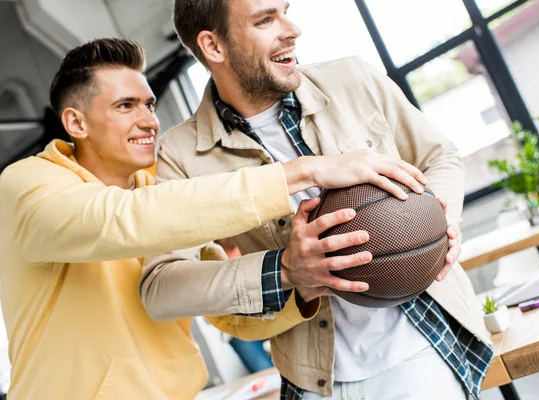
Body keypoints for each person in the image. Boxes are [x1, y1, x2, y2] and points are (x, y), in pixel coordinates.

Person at [0, 38, 427, 399]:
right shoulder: (27, 185)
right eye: (126, 105)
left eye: (149, 104)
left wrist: (295, 280)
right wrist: (303, 171)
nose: (149, 120)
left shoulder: (159, 191)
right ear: (76, 121)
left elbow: (225, 312)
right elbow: (120, 221)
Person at [142, 1, 493, 399]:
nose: (292, 29)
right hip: (315, 380)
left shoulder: (353, 79)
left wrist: (436, 224)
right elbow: (160, 288)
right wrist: (285, 270)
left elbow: (439, 156)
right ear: (214, 46)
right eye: (265, 20)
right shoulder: (178, 155)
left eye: (285, 11)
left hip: (421, 346)